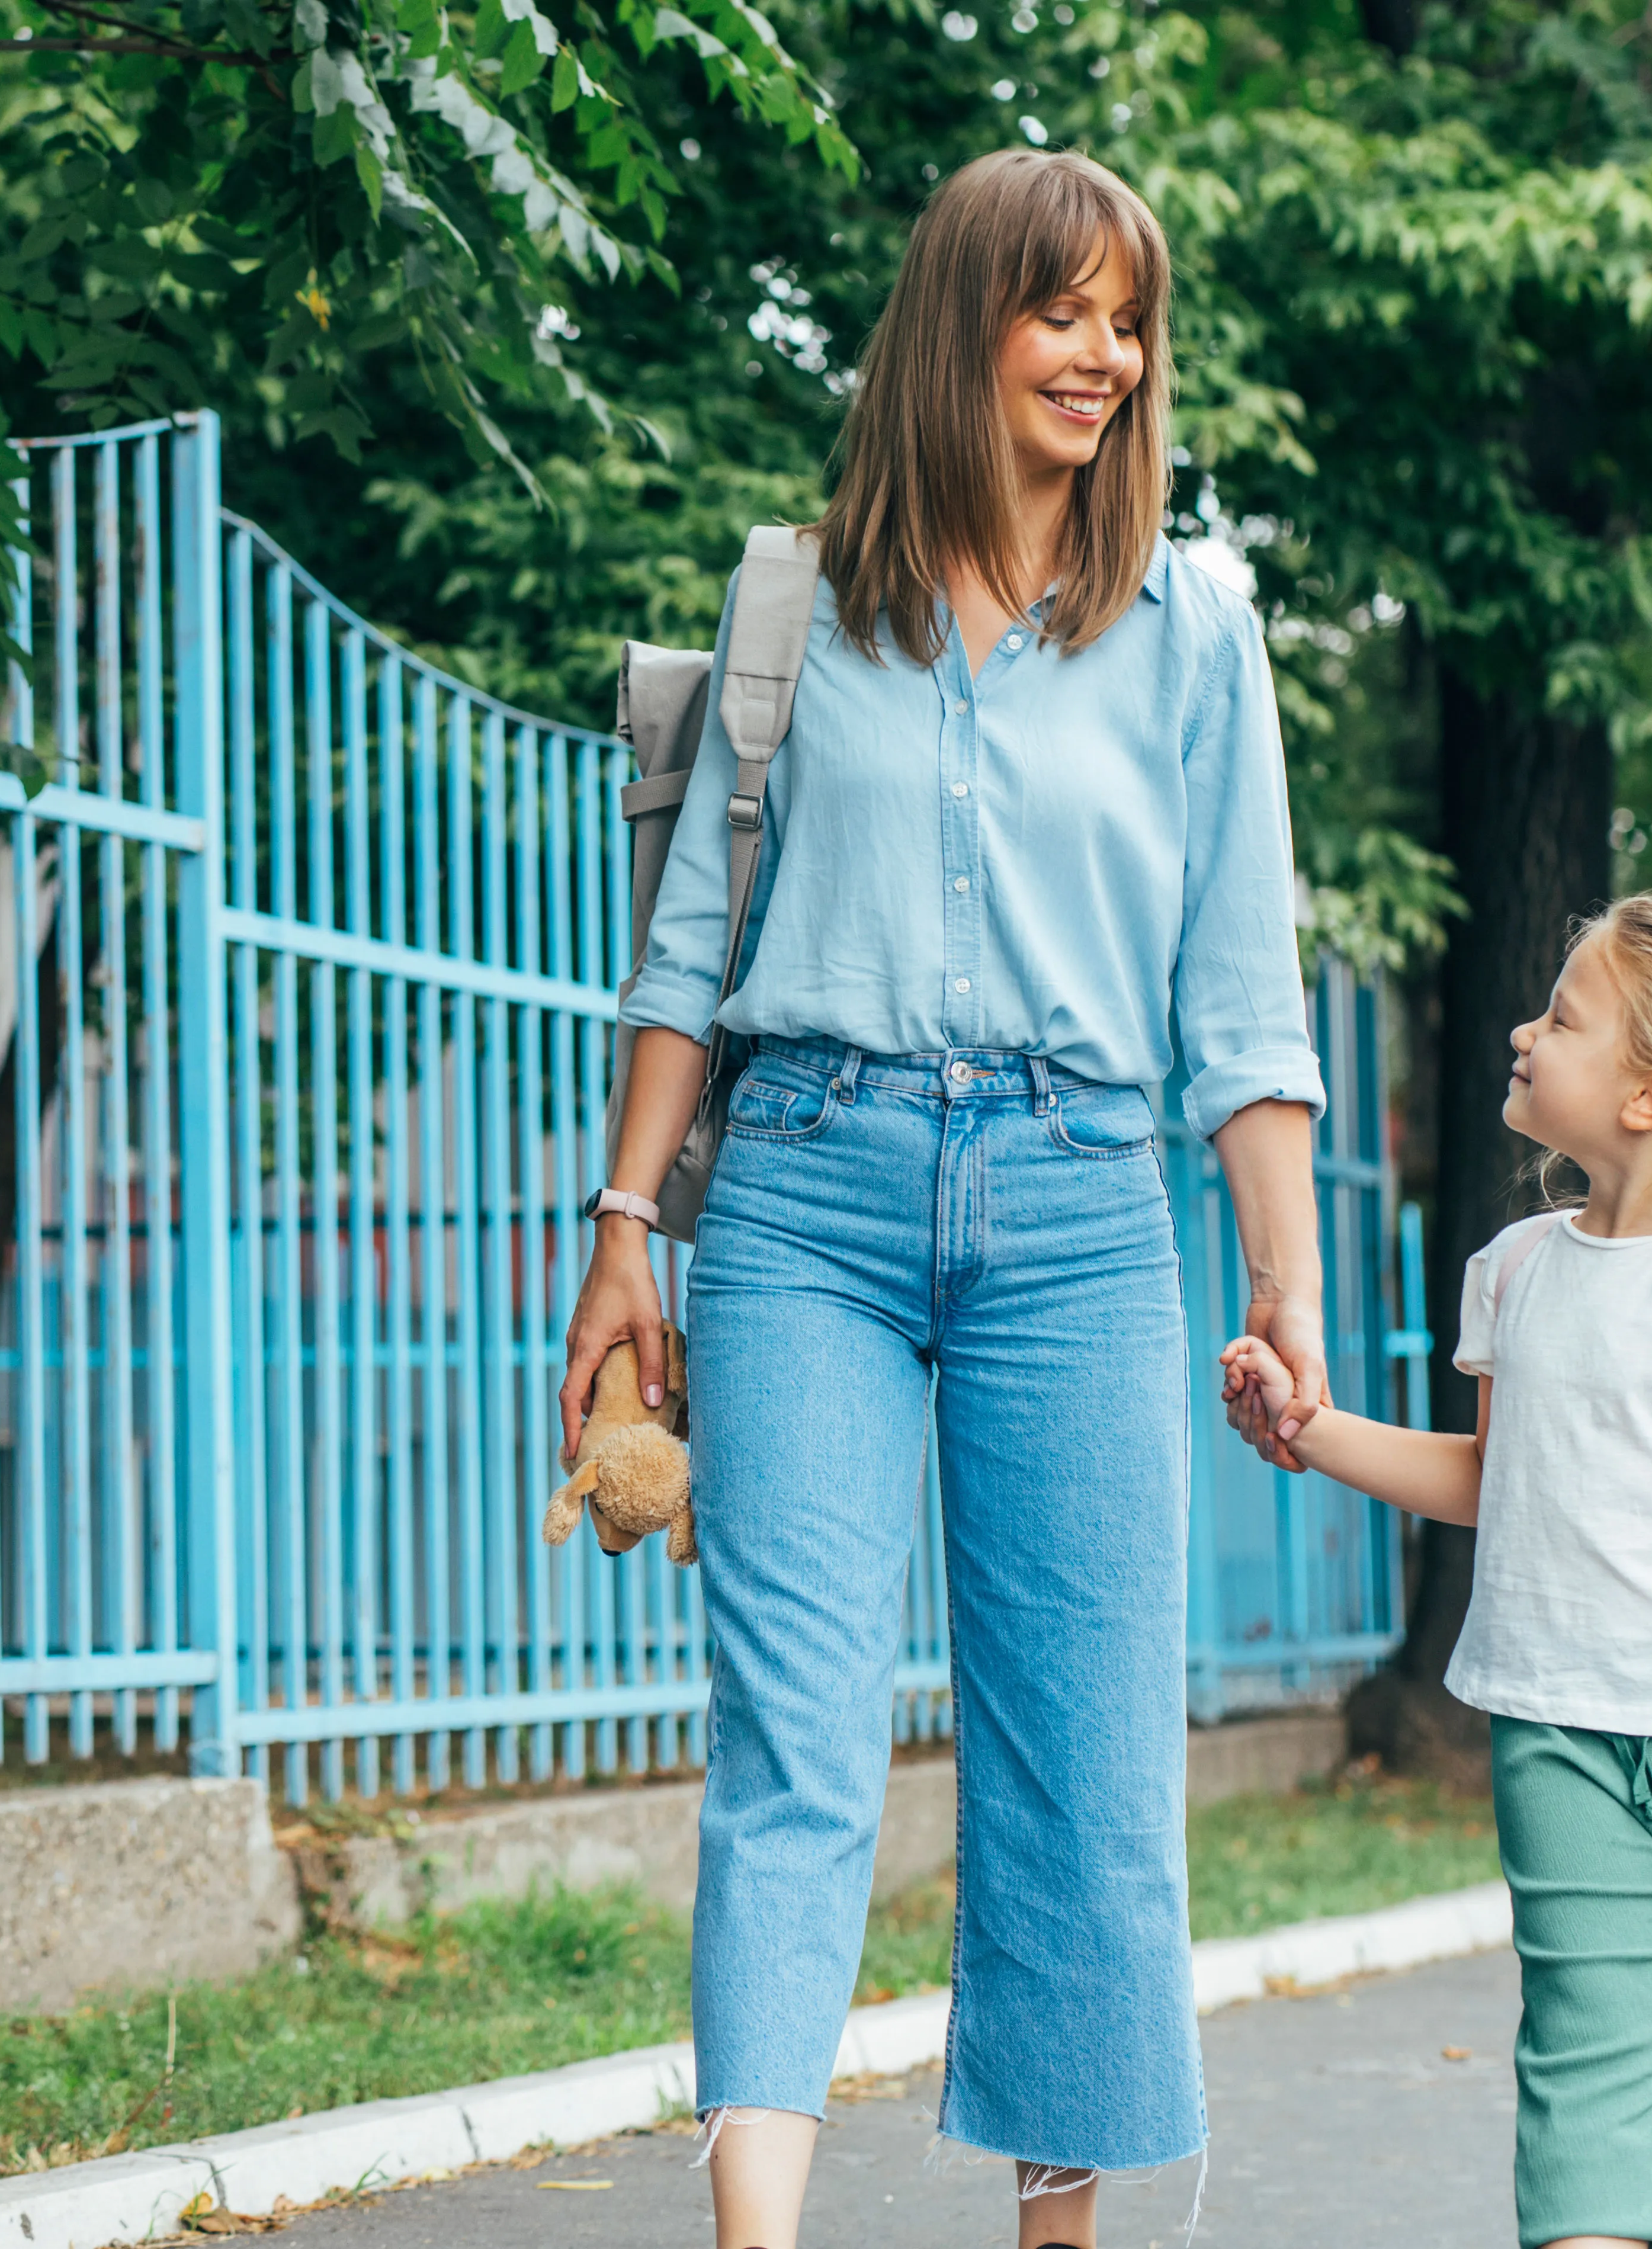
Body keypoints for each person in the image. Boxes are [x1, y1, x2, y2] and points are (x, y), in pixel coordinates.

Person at [559, 147, 1332, 2249]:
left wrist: (1285, 1286)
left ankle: (1058, 2236)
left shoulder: (1197, 636)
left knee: (1082, 1763)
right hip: (806, 1191)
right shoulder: (798, 597)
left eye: (1127, 317)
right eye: (1060, 308)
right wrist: (626, 1230)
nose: (1105, 354)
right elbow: (690, 958)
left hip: (1083, 1210)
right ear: (961, 324)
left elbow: (1245, 1005)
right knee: (794, 1736)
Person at [1219, 889, 1652, 2249]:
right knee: (1587, 2052)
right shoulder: (1518, 1269)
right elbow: (1495, 1478)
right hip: (1558, 1729)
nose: (1523, 1030)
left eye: (1560, 1014)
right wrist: (1314, 1427)